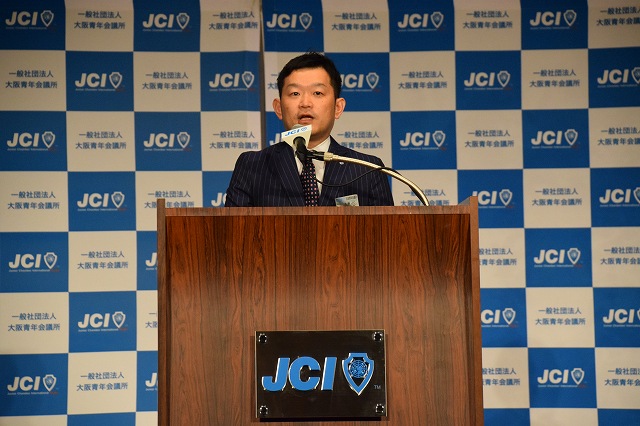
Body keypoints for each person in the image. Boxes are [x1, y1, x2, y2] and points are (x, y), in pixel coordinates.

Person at [225, 51, 394, 207]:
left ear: (338, 107)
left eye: (317, 93)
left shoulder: (368, 169)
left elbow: (385, 229)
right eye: (295, 94)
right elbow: (235, 228)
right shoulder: (252, 166)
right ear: (278, 108)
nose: (305, 103)